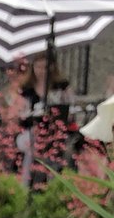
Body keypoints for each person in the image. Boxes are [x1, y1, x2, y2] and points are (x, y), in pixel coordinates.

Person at [18, 52, 74, 187]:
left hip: (56, 131)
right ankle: (28, 183)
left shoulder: (61, 86)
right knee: (31, 145)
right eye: (38, 67)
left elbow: (70, 109)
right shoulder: (27, 89)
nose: (42, 71)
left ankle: (54, 182)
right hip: (32, 131)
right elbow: (21, 115)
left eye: (45, 67)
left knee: (60, 147)